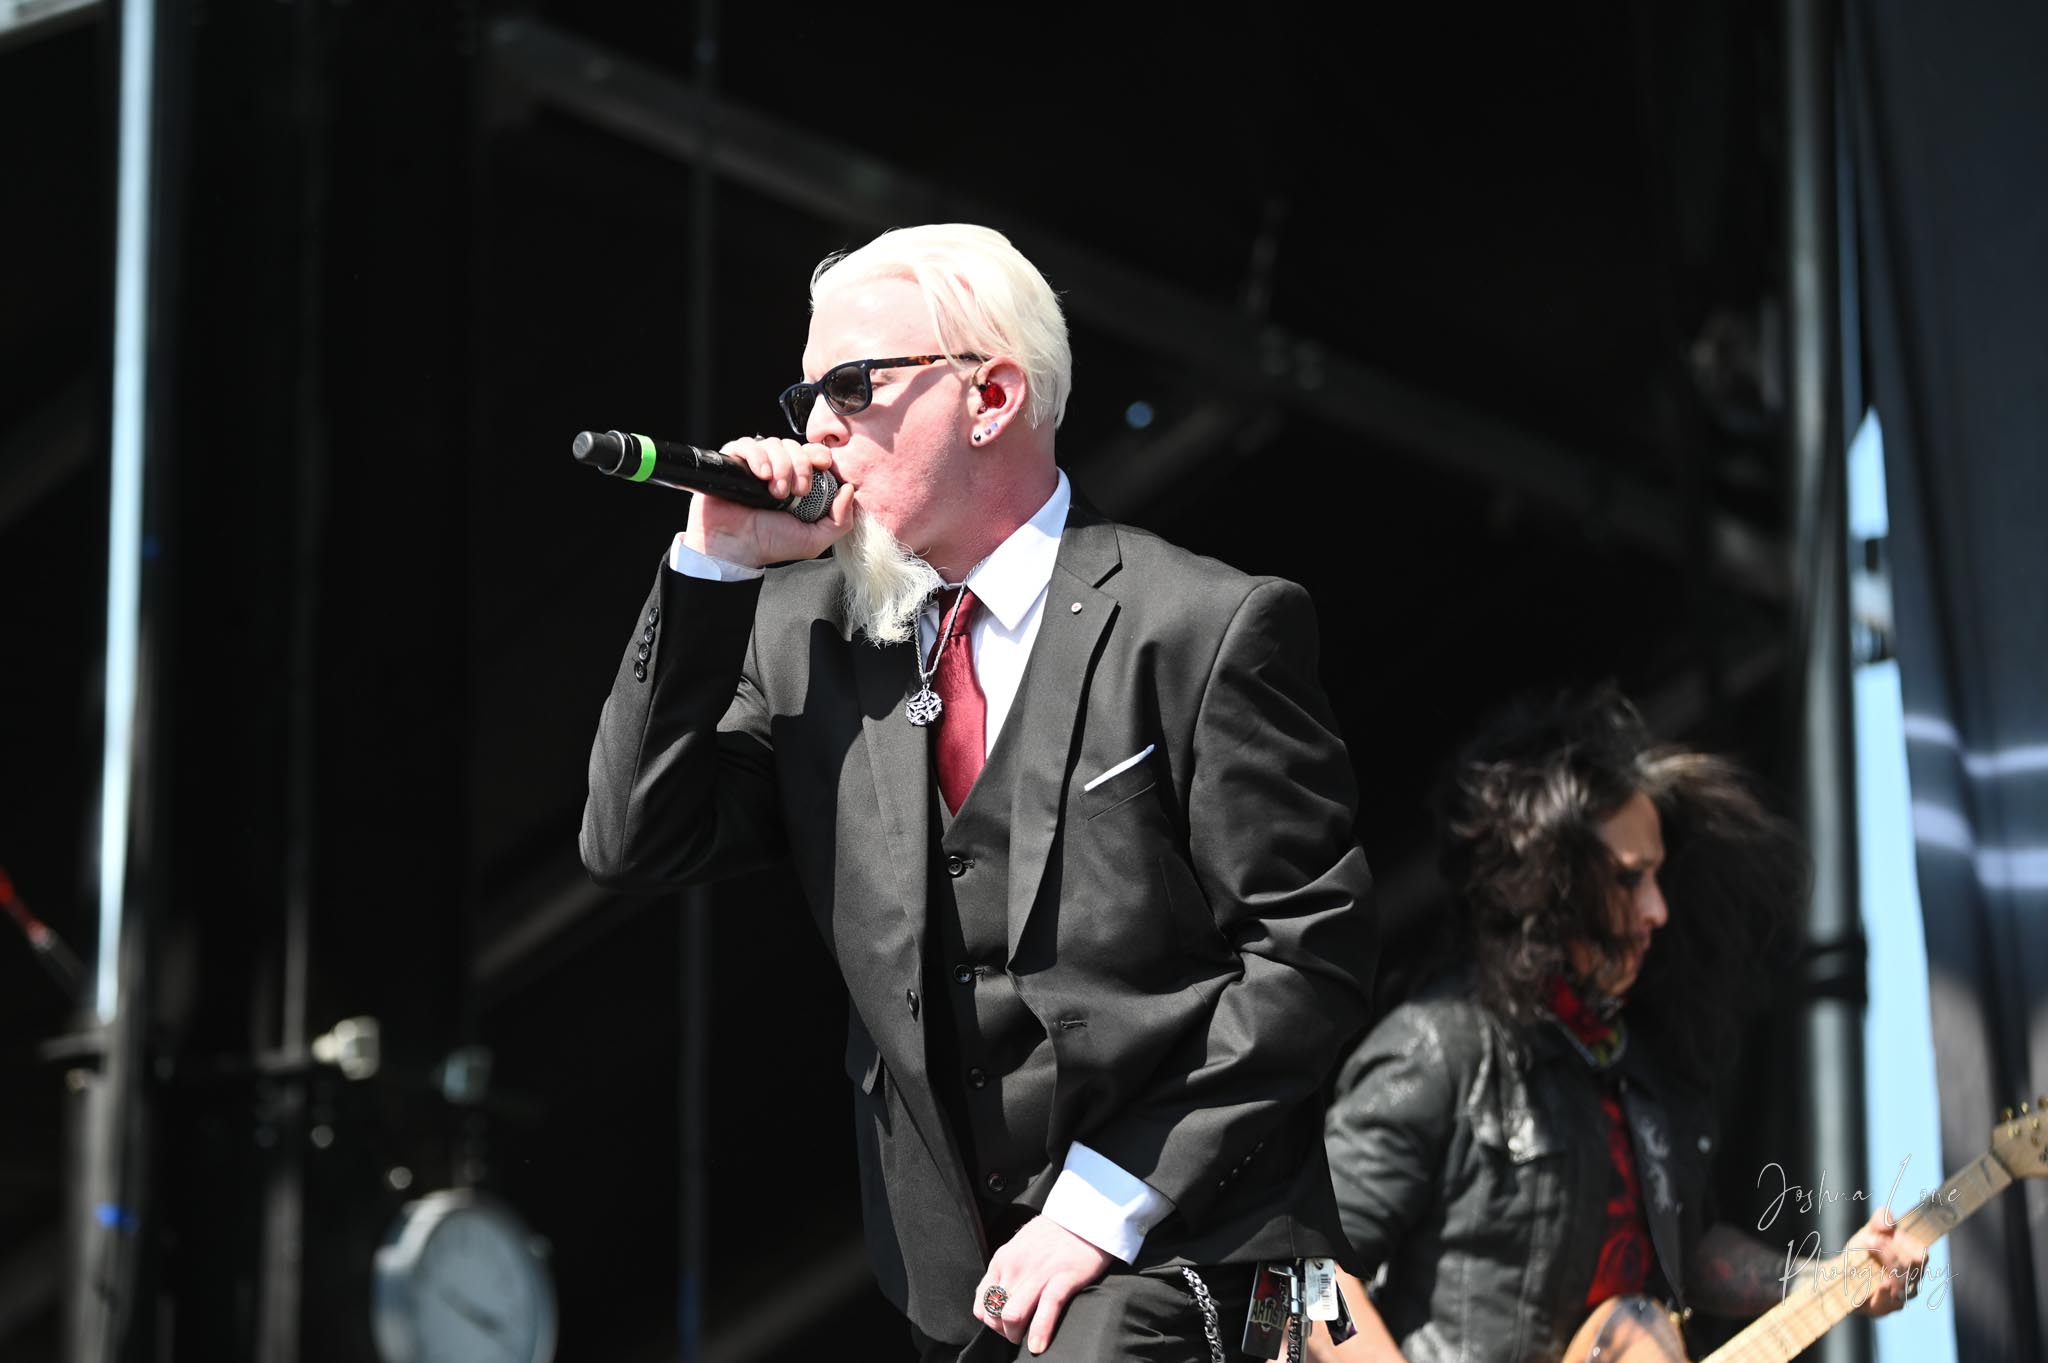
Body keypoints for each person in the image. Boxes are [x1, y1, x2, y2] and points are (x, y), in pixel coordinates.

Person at [579, 223, 1377, 1361]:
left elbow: (1307, 951)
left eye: (852, 387)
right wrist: (712, 563)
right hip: (959, 1284)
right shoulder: (808, 634)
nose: (815, 429)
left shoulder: (1197, 625)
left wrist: (1098, 1206)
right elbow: (632, 838)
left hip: (1182, 1245)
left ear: (991, 396)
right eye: (805, 394)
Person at [1315, 688, 1927, 1363]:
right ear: (1553, 884)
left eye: (1658, 877)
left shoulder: (1639, 1062)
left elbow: (1686, 1252)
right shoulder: (1440, 1048)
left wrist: (1824, 1282)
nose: (1657, 909)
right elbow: (1300, 1267)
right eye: (1629, 879)